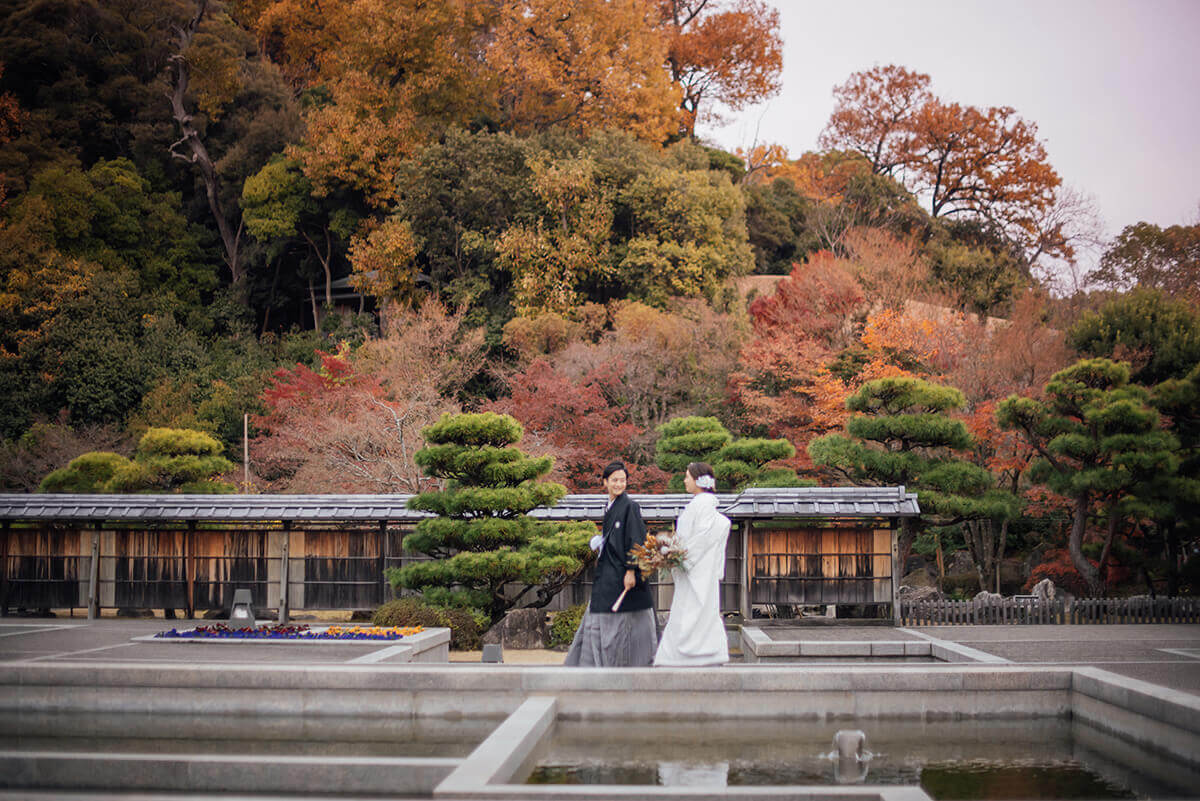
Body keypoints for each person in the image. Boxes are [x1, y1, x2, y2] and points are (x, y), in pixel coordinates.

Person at [564, 460, 658, 666]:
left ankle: (624, 661)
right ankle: (594, 661)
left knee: (625, 622)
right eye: (614, 480)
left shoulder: (630, 507)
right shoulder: (610, 507)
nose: (619, 484)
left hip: (622, 573)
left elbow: (636, 540)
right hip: (609, 573)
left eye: (622, 480)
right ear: (605, 482)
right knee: (601, 616)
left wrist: (632, 570)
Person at [654, 462, 731, 667]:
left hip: (697, 568)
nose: (685, 480)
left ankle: (686, 654)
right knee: (696, 611)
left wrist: (680, 555)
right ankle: (699, 653)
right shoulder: (701, 504)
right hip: (697, 568)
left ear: (698, 480)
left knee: (691, 611)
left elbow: (701, 537)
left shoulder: (702, 505)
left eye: (688, 476)